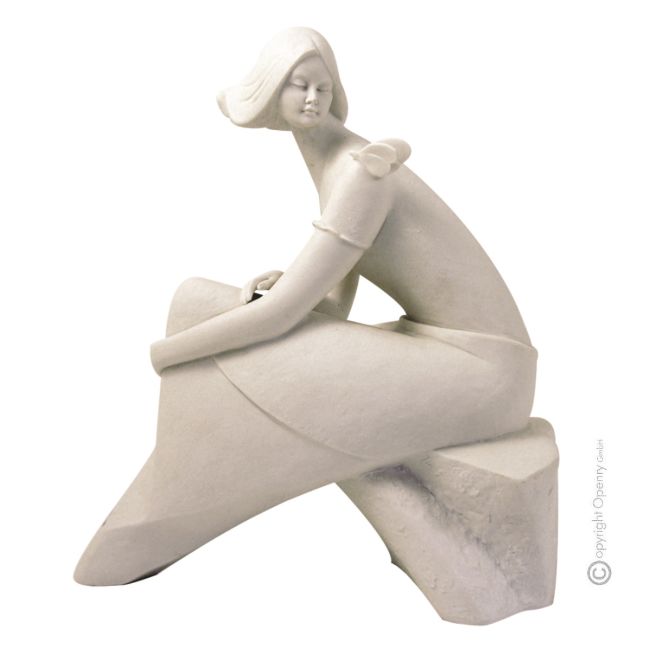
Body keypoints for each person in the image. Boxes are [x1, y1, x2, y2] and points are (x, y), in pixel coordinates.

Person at [75, 27, 537, 586]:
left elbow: (281, 315)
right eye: (299, 86)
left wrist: (168, 354)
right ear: (272, 90)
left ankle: (169, 506)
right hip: (447, 349)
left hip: (484, 372)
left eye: (323, 86)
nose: (313, 99)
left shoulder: (360, 171)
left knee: (203, 314)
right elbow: (334, 301)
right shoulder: (333, 160)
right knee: (208, 309)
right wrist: (296, 283)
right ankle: (170, 497)